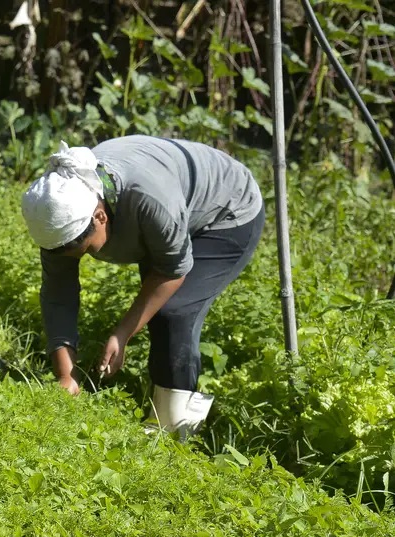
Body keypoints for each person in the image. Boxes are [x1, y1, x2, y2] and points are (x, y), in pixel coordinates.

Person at [21, 136, 264, 437]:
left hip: (227, 210)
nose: (80, 257)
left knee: (173, 311)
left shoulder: (148, 199)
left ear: (100, 217)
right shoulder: (56, 215)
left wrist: (122, 333)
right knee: (157, 308)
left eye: (85, 249)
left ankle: (174, 429)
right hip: (170, 208)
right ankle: (163, 407)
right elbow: (58, 292)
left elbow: (172, 271)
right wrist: (65, 376)